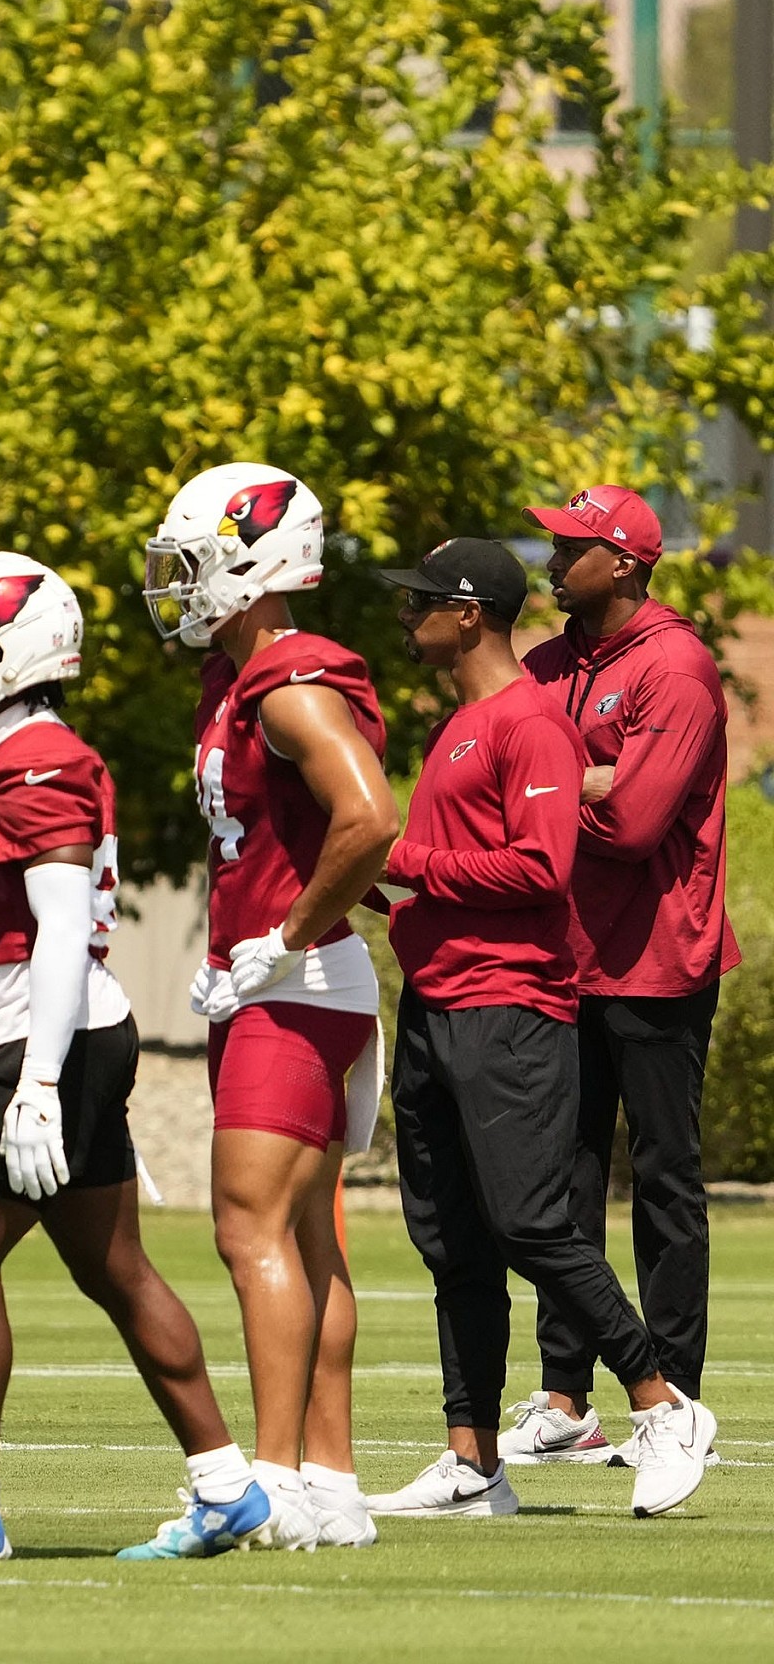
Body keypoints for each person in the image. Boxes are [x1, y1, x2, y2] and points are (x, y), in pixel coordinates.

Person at [0, 555, 273, 1563]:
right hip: (68, 1032)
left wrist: (34, 1079)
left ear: (5, 655)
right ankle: (225, 1487)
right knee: (113, 1266)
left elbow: (64, 925)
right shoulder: (29, 753)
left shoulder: (34, 760)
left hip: (46, 1036)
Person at [365, 537, 719, 1519]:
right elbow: (449, 874)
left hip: (510, 1009)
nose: (407, 618)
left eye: (420, 603)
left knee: (530, 1224)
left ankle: (661, 1403)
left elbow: (537, 867)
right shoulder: (462, 725)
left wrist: (404, 862)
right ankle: (472, 1462)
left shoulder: (527, 722)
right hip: (437, 1003)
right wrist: (371, 884)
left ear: (469, 613)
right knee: (455, 1244)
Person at [142, 464, 397, 1549]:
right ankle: (331, 1484)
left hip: (297, 984)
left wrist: (284, 939)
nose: (175, 584)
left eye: (192, 563)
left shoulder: (290, 682)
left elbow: (370, 817)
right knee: (302, 1238)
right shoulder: (237, 674)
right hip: (279, 982)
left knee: (249, 1230)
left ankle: (278, 1479)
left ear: (252, 566)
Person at [502, 486, 740, 1468]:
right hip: (563, 958)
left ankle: (673, 1402)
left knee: (664, 1183)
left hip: (658, 959)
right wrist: (586, 780)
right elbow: (502, 789)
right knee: (560, 1184)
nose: (553, 562)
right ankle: (566, 1399)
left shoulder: (675, 666)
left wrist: (556, 787)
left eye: (571, 548)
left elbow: (635, 824)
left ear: (626, 565)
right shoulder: (545, 664)